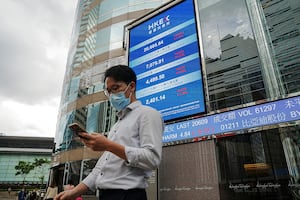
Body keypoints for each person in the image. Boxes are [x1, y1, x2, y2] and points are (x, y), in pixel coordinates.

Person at [55, 65, 164, 200]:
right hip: (106, 195)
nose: (112, 95)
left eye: (116, 88)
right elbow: (100, 169)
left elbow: (152, 159)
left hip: (128, 195)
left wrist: (108, 145)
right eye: (108, 91)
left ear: (132, 86)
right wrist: (73, 192)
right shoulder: (116, 125)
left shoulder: (148, 114)